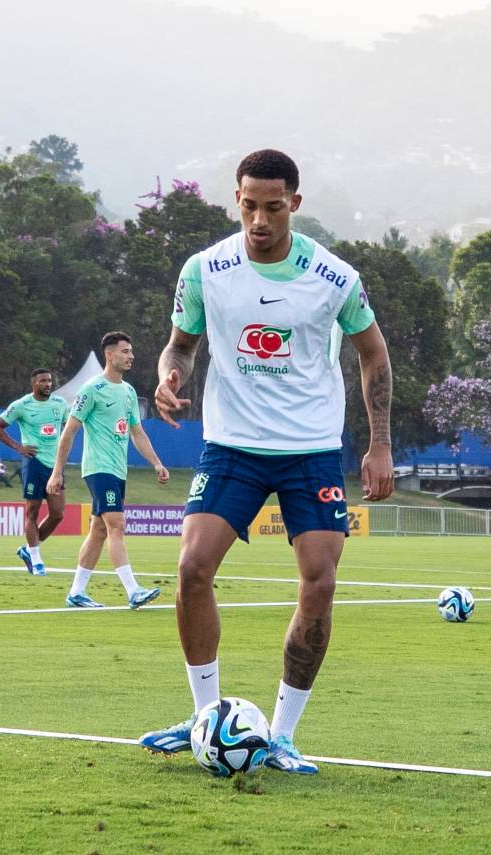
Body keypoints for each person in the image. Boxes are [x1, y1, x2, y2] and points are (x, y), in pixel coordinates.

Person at [138, 149, 394, 775]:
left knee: (319, 580)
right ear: (238, 200)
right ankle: (205, 716)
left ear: (294, 206)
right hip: (232, 446)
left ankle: (281, 735)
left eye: (272, 207)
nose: (259, 220)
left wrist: (380, 440)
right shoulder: (205, 269)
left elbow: (374, 356)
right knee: (192, 568)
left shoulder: (334, 279)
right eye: (249, 205)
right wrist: (170, 375)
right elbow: (182, 343)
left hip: (309, 450)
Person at [46, 332, 169, 609]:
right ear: (110, 355)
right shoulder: (91, 389)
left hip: (117, 470)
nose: (131, 355)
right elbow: (69, 432)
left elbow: (137, 432)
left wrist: (157, 463)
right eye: (125, 351)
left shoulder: (127, 392)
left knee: (99, 530)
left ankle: (76, 593)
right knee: (117, 525)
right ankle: (132, 590)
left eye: (131, 351)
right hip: (98, 468)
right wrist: (57, 472)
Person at [0, 369, 69, 575]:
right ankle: (36, 560)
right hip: (33, 463)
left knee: (58, 514)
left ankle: (27, 550)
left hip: (55, 466)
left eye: (50, 381)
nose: (48, 384)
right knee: (32, 511)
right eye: (43, 381)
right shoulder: (21, 405)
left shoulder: (60, 404)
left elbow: (70, 427)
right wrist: (18, 447)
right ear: (33, 383)